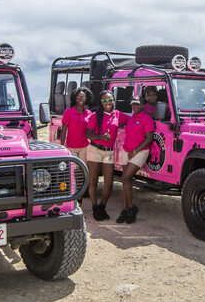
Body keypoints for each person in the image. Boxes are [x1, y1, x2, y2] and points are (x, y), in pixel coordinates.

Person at [85, 90, 128, 221]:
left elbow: (132, 120)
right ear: (101, 102)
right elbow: (88, 134)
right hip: (95, 149)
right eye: (104, 100)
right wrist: (100, 137)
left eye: (110, 100)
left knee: (109, 183)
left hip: (109, 151)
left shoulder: (118, 115)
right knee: (93, 181)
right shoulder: (95, 116)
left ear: (113, 100)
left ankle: (102, 206)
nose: (108, 103)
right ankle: (94, 207)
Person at [117, 95, 154, 224]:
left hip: (139, 152)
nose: (135, 106)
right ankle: (125, 210)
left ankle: (132, 208)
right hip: (126, 151)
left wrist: (135, 151)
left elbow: (149, 138)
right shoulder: (130, 118)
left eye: (137, 104)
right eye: (133, 104)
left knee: (126, 178)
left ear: (142, 105)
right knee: (126, 182)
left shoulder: (146, 119)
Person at [60, 87, 94, 163]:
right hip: (71, 147)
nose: (81, 99)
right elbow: (64, 130)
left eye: (83, 97)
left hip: (85, 147)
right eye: (78, 97)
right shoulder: (68, 112)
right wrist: (62, 146)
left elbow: (91, 130)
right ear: (75, 98)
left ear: (86, 99)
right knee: (73, 171)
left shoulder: (89, 113)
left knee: (84, 170)